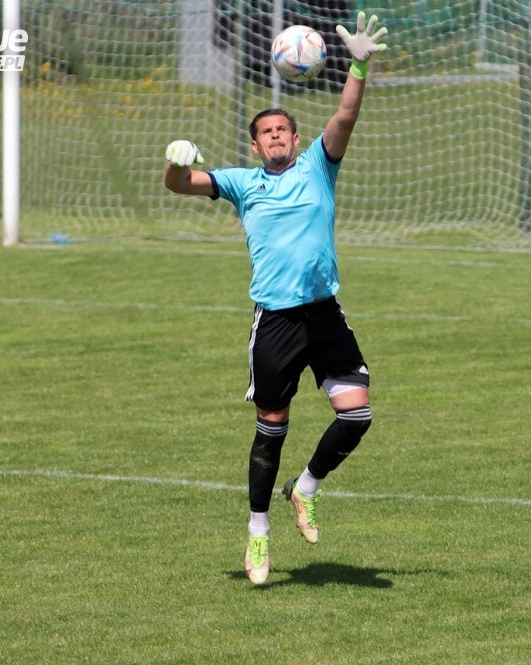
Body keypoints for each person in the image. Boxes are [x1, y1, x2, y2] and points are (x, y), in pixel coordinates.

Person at [163, 12, 387, 585]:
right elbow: (180, 184)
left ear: (295, 138)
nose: (277, 136)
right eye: (267, 132)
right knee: (272, 426)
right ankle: (258, 532)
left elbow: (345, 115)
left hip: (324, 313)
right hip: (276, 321)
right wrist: (176, 161)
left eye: (283, 129)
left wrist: (358, 66)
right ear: (256, 144)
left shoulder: (319, 166)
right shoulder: (242, 183)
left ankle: (305, 488)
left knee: (357, 414)